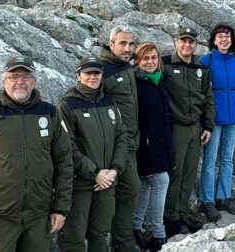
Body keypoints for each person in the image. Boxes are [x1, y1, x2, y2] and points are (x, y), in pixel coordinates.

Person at [0, 56, 73, 251]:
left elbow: (64, 163)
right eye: (14, 76)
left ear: (34, 81)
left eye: (26, 76)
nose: (20, 82)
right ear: (4, 81)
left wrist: (60, 208)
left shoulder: (50, 113)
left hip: (39, 217)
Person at [57, 56, 128, 252]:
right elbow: (66, 146)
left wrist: (115, 170)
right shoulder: (67, 105)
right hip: (80, 184)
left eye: (96, 73)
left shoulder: (109, 101)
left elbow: (121, 136)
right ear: (78, 76)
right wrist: (95, 172)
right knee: (75, 237)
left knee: (100, 232)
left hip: (106, 182)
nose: (92, 77)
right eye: (88, 73)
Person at [162, 27, 214, 235]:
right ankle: (171, 217)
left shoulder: (200, 68)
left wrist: (208, 125)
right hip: (176, 128)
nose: (187, 45)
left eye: (191, 42)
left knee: (189, 173)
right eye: (183, 41)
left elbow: (208, 97)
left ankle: (183, 212)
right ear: (176, 42)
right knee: (176, 173)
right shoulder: (165, 64)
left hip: (196, 128)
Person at [197, 24, 235, 221]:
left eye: (227, 36)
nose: (224, 39)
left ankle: (223, 197)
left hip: (232, 118)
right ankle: (207, 200)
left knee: (227, 159)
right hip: (213, 119)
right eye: (220, 36)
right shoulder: (206, 60)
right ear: (214, 40)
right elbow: (200, 94)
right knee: (209, 161)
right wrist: (204, 120)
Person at [99, 26, 142, 251]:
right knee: (130, 188)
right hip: (115, 145)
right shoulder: (103, 70)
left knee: (130, 190)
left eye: (131, 44)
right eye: (122, 44)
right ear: (111, 44)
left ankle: (122, 240)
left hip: (131, 142)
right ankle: (120, 241)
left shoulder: (125, 67)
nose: (127, 48)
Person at [132, 42, 174, 252]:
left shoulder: (158, 82)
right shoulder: (136, 84)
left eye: (154, 58)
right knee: (160, 181)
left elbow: (164, 117)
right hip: (144, 146)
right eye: (145, 58)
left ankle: (136, 228)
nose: (150, 62)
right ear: (138, 61)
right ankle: (159, 234)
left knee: (147, 186)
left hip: (159, 144)